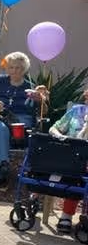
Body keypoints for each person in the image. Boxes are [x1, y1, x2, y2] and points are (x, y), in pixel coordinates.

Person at [0, 51, 47, 185]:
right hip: (1, 116)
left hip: (22, 121)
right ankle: (4, 163)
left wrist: (40, 100)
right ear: (7, 68)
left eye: (18, 68)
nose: (14, 70)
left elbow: (43, 112)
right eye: (11, 67)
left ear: (24, 70)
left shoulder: (30, 87)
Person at [47, 88, 88, 233]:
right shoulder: (77, 111)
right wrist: (61, 137)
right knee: (75, 170)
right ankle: (67, 215)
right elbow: (54, 128)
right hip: (72, 157)